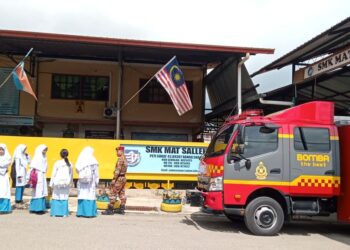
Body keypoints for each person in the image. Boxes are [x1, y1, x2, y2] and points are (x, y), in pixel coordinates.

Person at [102, 146, 128, 215]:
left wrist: (114, 179)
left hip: (119, 178)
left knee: (113, 193)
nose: (116, 152)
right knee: (122, 193)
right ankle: (122, 209)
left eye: (117, 151)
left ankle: (110, 209)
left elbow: (118, 170)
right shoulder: (125, 159)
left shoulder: (120, 159)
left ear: (121, 151)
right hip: (123, 178)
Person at [75, 146, 99, 218]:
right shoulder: (93, 161)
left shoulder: (80, 160)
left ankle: (80, 212)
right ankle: (89, 213)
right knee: (90, 195)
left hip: (82, 181)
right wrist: (96, 181)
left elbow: (77, 170)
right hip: (90, 182)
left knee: (82, 194)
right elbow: (96, 172)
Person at [49, 149, 73, 217]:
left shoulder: (57, 163)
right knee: (64, 196)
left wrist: (51, 183)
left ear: (60, 155)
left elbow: (53, 173)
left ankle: (54, 213)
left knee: (56, 196)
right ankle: (64, 213)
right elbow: (71, 174)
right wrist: (71, 183)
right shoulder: (70, 163)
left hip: (57, 183)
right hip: (66, 183)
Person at [29, 144, 48, 214]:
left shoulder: (44, 157)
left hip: (42, 175)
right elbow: (32, 168)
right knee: (37, 192)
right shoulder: (37, 157)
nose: (45, 151)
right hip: (37, 176)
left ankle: (39, 208)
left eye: (46, 150)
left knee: (40, 192)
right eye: (44, 150)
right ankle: (36, 209)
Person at [0, 144, 12, 214]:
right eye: (0, 149)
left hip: (4, 176)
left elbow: (6, 164)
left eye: (2, 149)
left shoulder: (8, 157)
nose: (1, 151)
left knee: (4, 191)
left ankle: (4, 209)